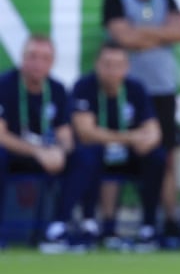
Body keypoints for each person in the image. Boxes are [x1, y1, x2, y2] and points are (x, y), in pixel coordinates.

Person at [102, 0, 180, 242]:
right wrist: (161, 34)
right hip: (127, 88)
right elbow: (122, 38)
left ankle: (168, 222)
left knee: (163, 155)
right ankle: (110, 222)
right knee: (115, 155)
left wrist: (141, 34)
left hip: (162, 88)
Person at [48, 42, 165, 251]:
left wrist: (146, 141)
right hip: (99, 152)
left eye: (118, 64)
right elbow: (86, 132)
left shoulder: (135, 88)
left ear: (127, 67)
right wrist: (131, 137)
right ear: (97, 65)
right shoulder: (85, 86)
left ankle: (148, 227)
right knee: (85, 155)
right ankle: (70, 224)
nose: (113, 70)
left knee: (156, 157)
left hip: (128, 155)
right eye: (107, 64)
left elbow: (154, 130)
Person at [0, 35, 73, 251]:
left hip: (47, 156)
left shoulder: (57, 90)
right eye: (32, 56)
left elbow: (66, 135)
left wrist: (60, 151)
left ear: (52, 62)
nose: (37, 63)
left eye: (45, 58)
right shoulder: (5, 85)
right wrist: (38, 152)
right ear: (22, 58)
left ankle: (57, 228)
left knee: (83, 157)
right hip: (14, 153)